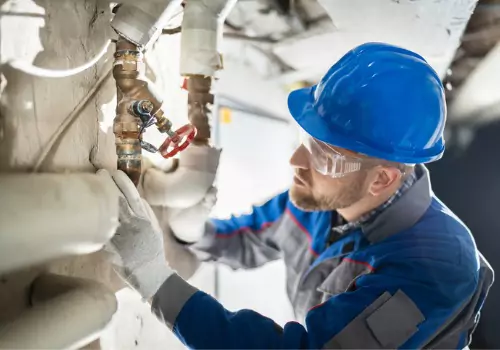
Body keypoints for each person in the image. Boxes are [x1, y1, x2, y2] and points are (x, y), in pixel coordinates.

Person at [100, 42, 494, 349]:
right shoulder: (321, 201)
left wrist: (153, 277)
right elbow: (248, 237)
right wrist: (186, 226)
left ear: (381, 180)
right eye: (308, 139)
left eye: (324, 155)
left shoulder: (436, 267)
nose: (296, 159)